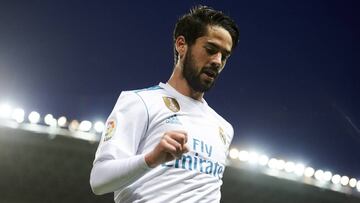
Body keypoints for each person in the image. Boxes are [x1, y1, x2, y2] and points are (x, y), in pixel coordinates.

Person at [90, 5, 239, 203]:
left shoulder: (223, 128)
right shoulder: (140, 102)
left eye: (224, 56)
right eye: (210, 50)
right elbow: (99, 181)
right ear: (181, 45)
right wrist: (151, 159)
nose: (218, 61)